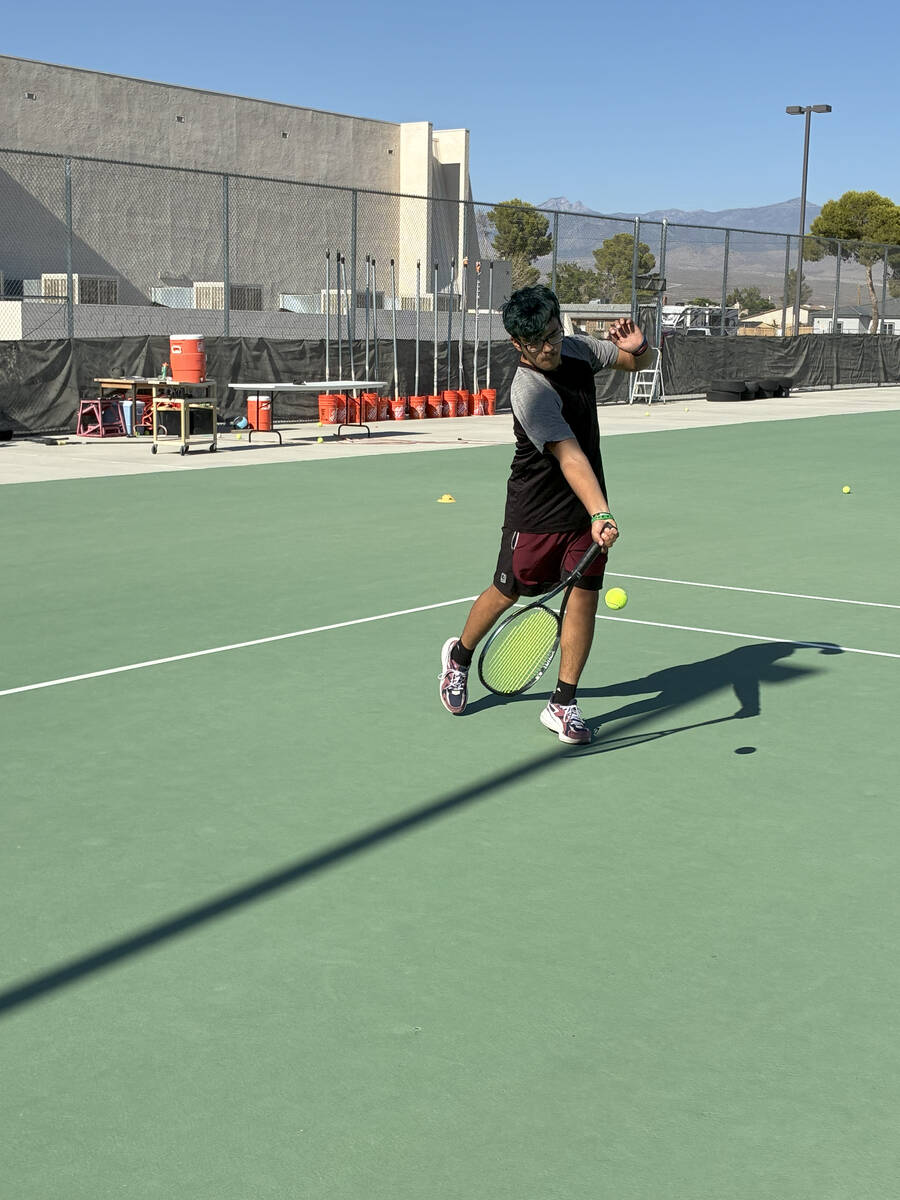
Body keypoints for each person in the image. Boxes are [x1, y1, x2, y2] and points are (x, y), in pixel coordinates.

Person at [438, 284, 651, 744]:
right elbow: (570, 456)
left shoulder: (576, 349)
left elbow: (633, 363)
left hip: (587, 507)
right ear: (518, 345)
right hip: (536, 512)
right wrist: (602, 512)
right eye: (537, 343)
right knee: (507, 592)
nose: (550, 348)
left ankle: (563, 703)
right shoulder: (528, 390)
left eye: (553, 335)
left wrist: (639, 348)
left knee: (585, 596)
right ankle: (458, 659)